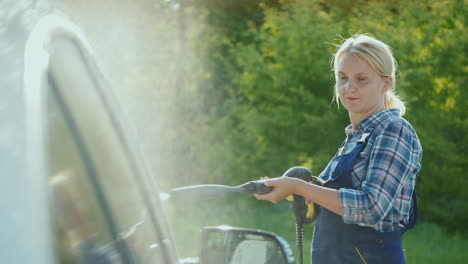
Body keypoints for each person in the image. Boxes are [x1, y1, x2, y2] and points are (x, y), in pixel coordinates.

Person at [254, 34, 422, 264]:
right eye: (342, 78)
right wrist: (303, 191)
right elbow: (340, 202)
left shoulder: (393, 130)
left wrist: (297, 186)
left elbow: (372, 207)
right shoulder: (356, 137)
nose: (349, 87)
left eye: (361, 79)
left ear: (386, 82)